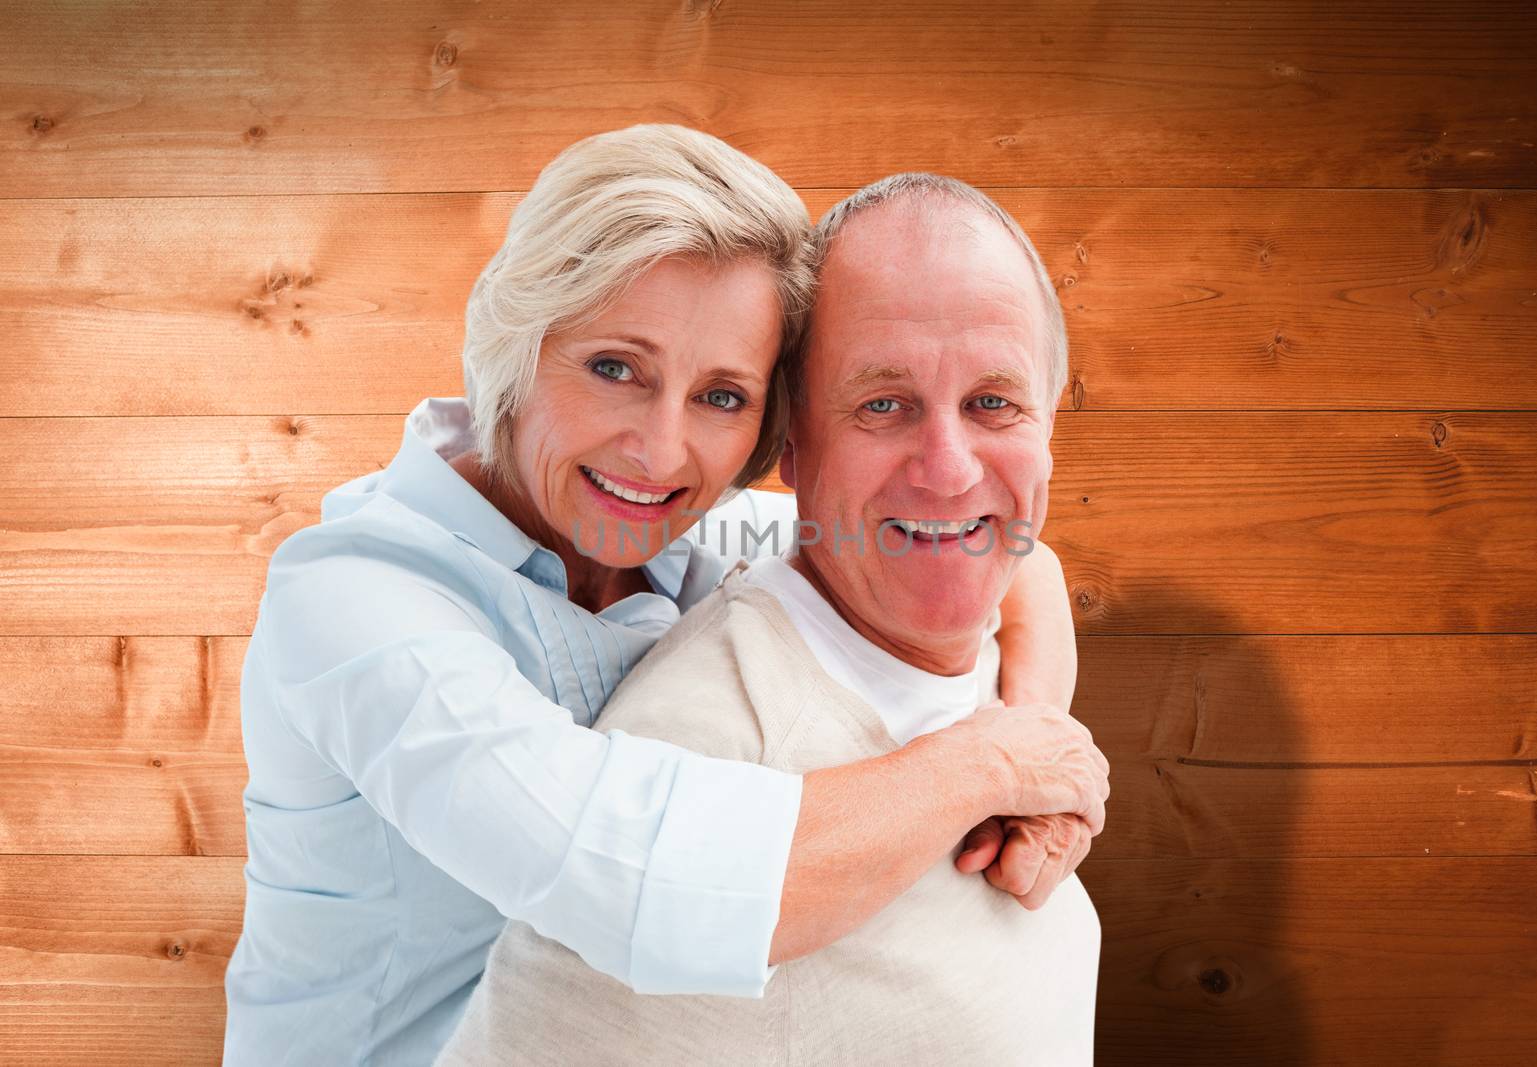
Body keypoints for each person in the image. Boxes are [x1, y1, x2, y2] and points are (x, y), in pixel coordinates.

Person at [222, 127, 1109, 1065]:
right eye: (616, 369)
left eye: (721, 396)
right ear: (520, 343)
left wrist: (1040, 749)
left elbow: (1012, 561)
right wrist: (991, 763)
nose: (659, 451)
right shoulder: (356, 601)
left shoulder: (677, 537)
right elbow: (638, 881)